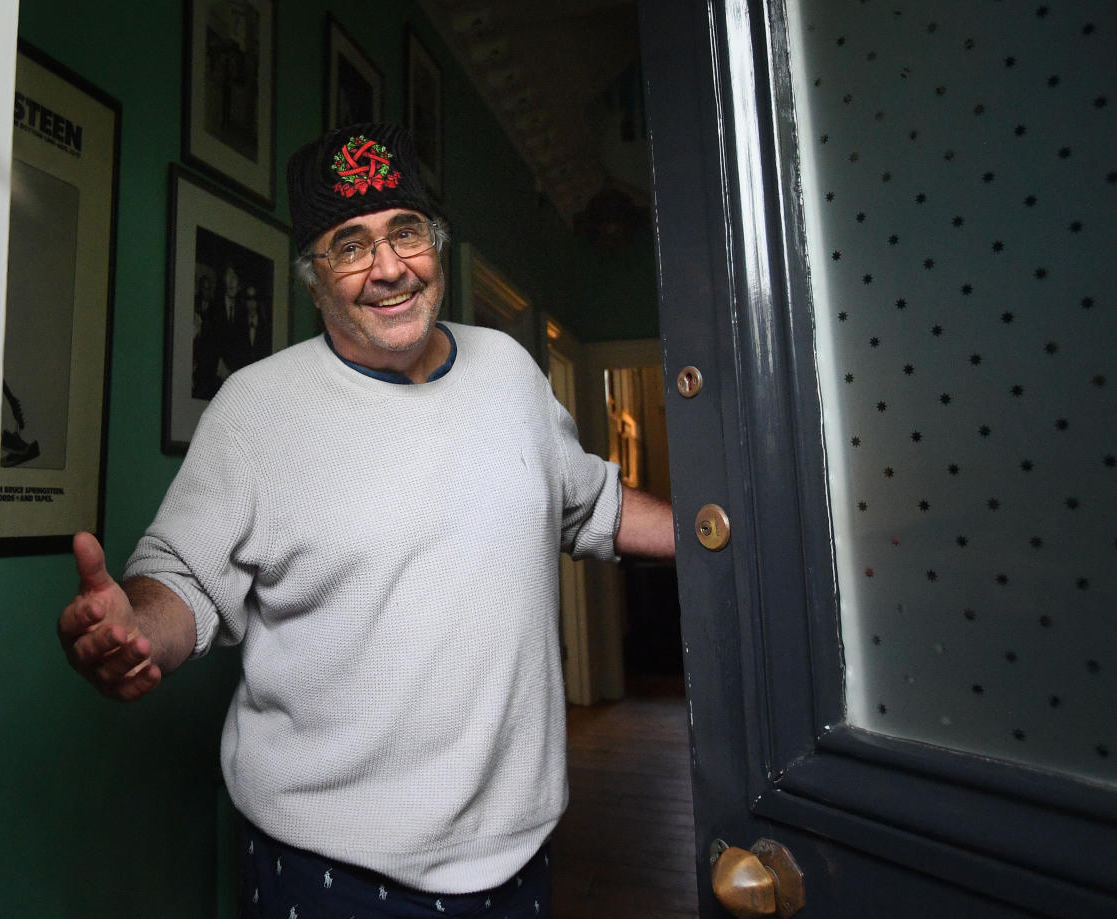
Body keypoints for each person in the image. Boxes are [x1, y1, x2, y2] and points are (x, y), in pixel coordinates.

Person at [58, 122, 675, 918]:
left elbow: (595, 503)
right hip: (330, 871)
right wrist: (136, 629)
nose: (389, 268)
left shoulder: (509, 372)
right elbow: (183, 579)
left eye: (405, 232)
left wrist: (717, 530)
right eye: (350, 246)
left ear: (436, 244)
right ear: (312, 279)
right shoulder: (256, 409)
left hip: (520, 853)